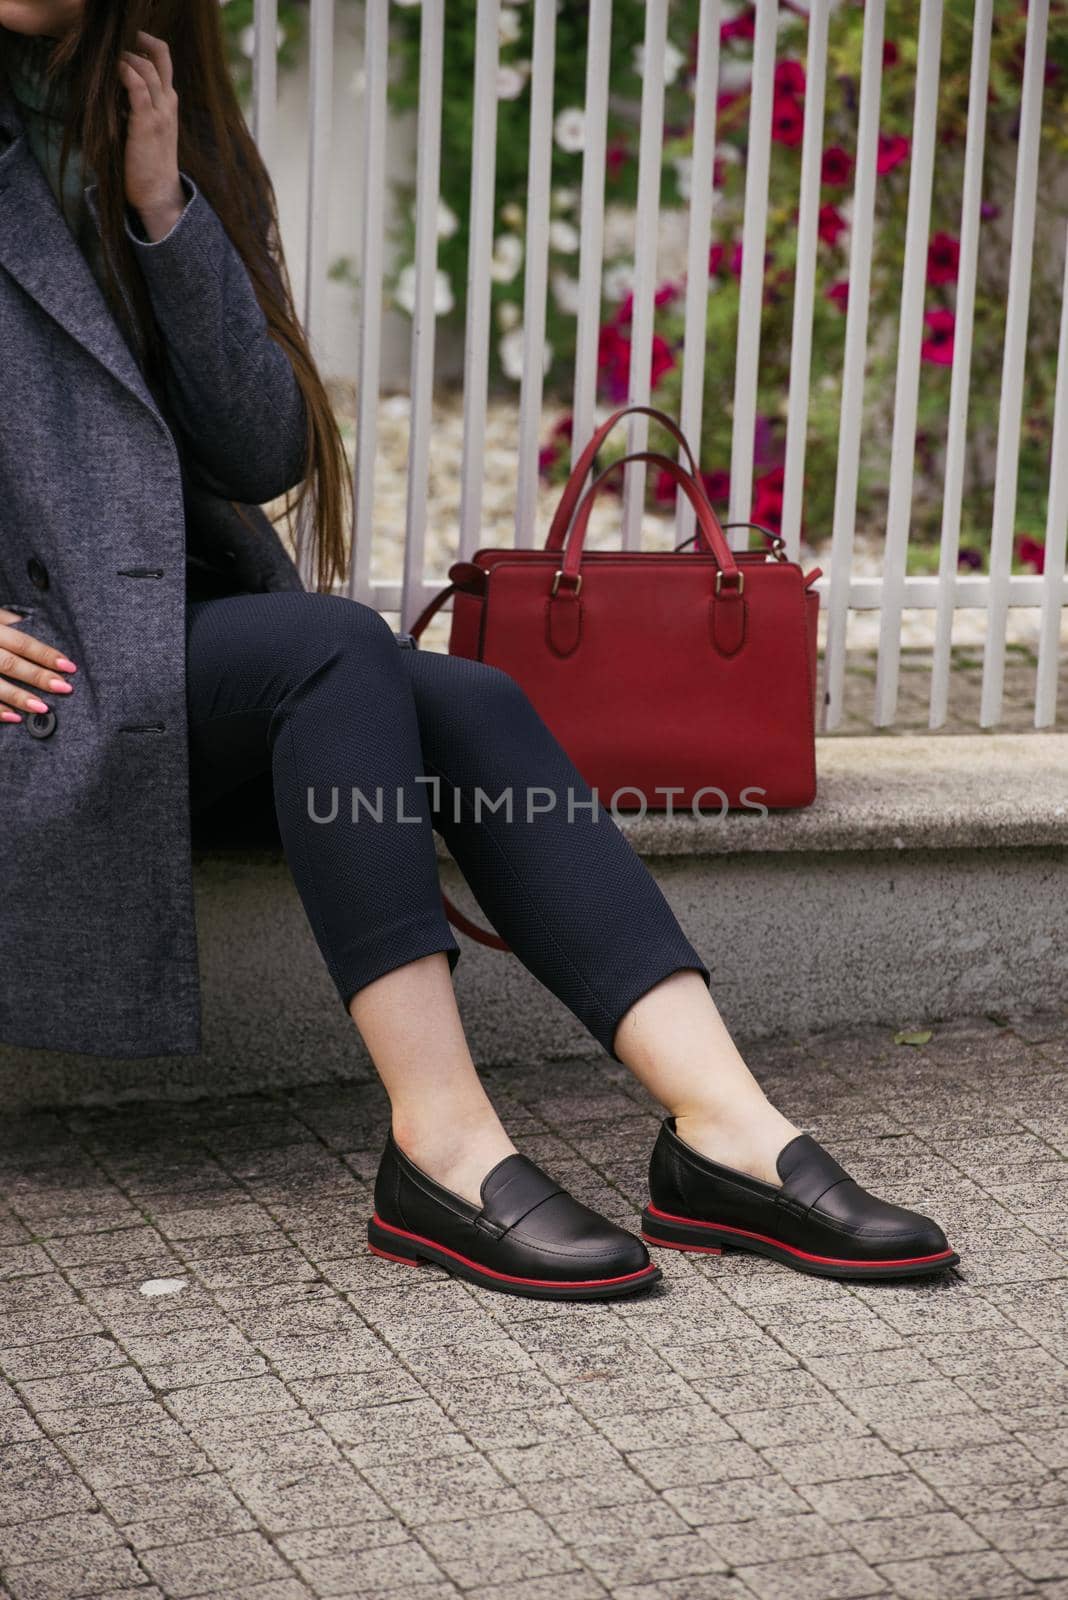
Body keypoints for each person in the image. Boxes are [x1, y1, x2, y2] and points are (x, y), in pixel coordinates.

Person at [0, 1, 958, 1301]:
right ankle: (440, 1145)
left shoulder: (161, 108)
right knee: (336, 654)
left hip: (158, 647)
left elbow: (262, 449)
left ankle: (726, 1129)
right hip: (42, 687)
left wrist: (163, 207)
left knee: (473, 700)